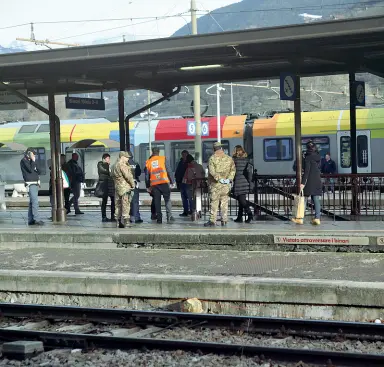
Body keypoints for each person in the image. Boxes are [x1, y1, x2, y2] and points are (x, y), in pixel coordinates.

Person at [204, 142, 236, 227]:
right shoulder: (229, 158)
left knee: (214, 203)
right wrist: (228, 179)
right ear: (221, 148)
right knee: (224, 203)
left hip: (215, 185)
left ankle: (212, 220)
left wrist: (219, 179)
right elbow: (233, 170)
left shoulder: (212, 158)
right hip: (225, 186)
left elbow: (212, 171)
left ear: (214, 149)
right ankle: (224, 220)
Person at [292, 140, 322, 226]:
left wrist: (302, 183)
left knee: (303, 199)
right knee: (316, 199)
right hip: (317, 180)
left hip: (309, 181)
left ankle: (300, 218)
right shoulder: (318, 157)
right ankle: (317, 218)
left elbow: (307, 171)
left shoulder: (308, 158)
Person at [145, 147, 175, 224]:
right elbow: (169, 170)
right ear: (159, 152)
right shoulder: (163, 159)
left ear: (152, 152)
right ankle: (169, 217)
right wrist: (172, 181)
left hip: (155, 185)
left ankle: (159, 218)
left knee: (157, 201)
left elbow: (146, 176)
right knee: (167, 200)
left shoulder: (148, 162)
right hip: (164, 183)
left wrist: (148, 186)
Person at [111, 151, 135, 228]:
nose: (128, 159)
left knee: (117, 204)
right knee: (126, 204)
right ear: (122, 157)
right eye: (127, 157)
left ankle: (117, 221)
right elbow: (128, 176)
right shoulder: (122, 165)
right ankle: (126, 222)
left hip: (117, 187)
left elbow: (112, 175)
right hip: (125, 188)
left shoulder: (114, 165)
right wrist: (133, 184)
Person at [20, 148, 43, 226]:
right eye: (33, 154)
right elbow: (30, 170)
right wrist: (33, 161)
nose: (34, 155)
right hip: (30, 183)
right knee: (35, 202)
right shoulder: (24, 161)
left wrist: (34, 161)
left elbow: (39, 171)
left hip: (35, 183)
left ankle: (31, 219)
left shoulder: (32, 161)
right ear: (29, 153)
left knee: (32, 202)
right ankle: (37, 219)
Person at [232, 145, 253, 224]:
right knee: (241, 201)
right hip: (245, 182)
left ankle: (250, 215)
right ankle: (239, 217)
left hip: (238, 182)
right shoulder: (246, 160)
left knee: (242, 201)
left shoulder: (235, 161)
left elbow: (233, 172)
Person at [97, 153, 115, 223]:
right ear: (104, 159)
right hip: (104, 185)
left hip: (110, 185)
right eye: (108, 158)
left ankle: (113, 216)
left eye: (109, 158)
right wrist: (107, 165)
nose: (109, 160)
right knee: (104, 201)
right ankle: (104, 216)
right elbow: (104, 171)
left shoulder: (109, 166)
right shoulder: (100, 164)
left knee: (113, 200)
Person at [129, 154, 143, 224]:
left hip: (126, 184)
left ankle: (130, 217)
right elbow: (139, 173)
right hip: (135, 183)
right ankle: (136, 217)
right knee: (135, 201)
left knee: (127, 201)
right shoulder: (136, 164)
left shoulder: (124, 164)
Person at [175, 150, 190, 216]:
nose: (184, 156)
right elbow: (177, 172)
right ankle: (185, 211)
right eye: (183, 155)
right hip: (181, 182)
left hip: (188, 182)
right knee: (184, 198)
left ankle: (191, 210)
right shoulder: (180, 162)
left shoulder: (189, 163)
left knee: (189, 197)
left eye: (185, 155)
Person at [144, 154, 157, 220]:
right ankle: (154, 214)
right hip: (153, 185)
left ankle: (154, 213)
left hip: (154, 184)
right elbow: (147, 177)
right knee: (155, 199)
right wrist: (148, 186)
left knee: (155, 199)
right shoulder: (149, 165)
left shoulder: (149, 165)